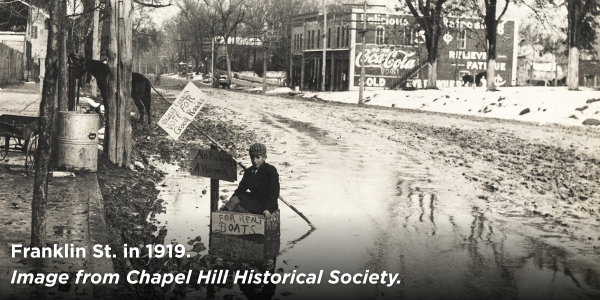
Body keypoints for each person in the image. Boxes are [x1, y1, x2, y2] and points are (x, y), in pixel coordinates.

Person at [222, 143, 279, 216]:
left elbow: (274, 194)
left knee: (239, 208)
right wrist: (231, 201)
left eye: (258, 157)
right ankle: (224, 213)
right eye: (252, 157)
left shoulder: (271, 171)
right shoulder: (249, 172)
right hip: (254, 202)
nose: (254, 161)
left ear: (264, 157)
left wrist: (268, 209)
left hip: (266, 204)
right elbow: (240, 189)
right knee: (235, 199)